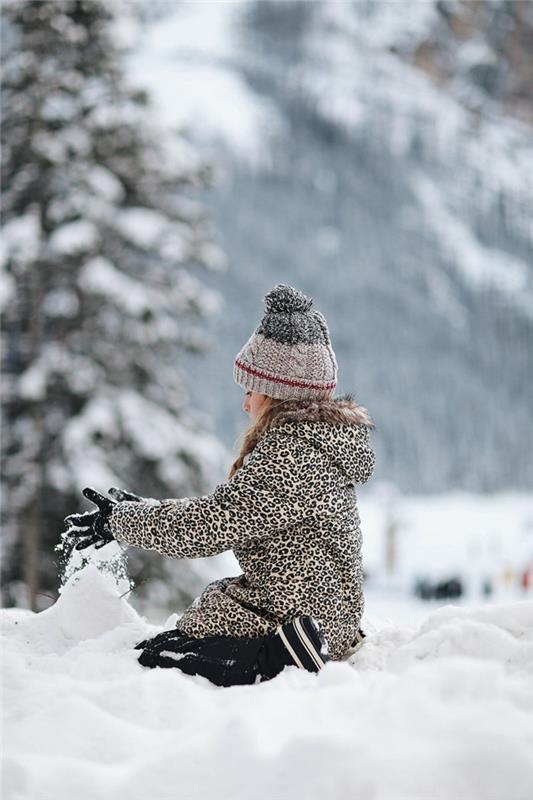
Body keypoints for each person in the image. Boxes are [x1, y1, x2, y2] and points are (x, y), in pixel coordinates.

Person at [64, 284, 376, 687]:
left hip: (305, 621)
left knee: (161, 655)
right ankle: (286, 649)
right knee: (180, 636)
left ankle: (283, 657)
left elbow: (208, 526)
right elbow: (227, 510)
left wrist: (122, 522)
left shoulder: (293, 454)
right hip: (320, 611)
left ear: (278, 393)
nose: (246, 404)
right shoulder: (312, 445)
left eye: (251, 391)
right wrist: (146, 510)